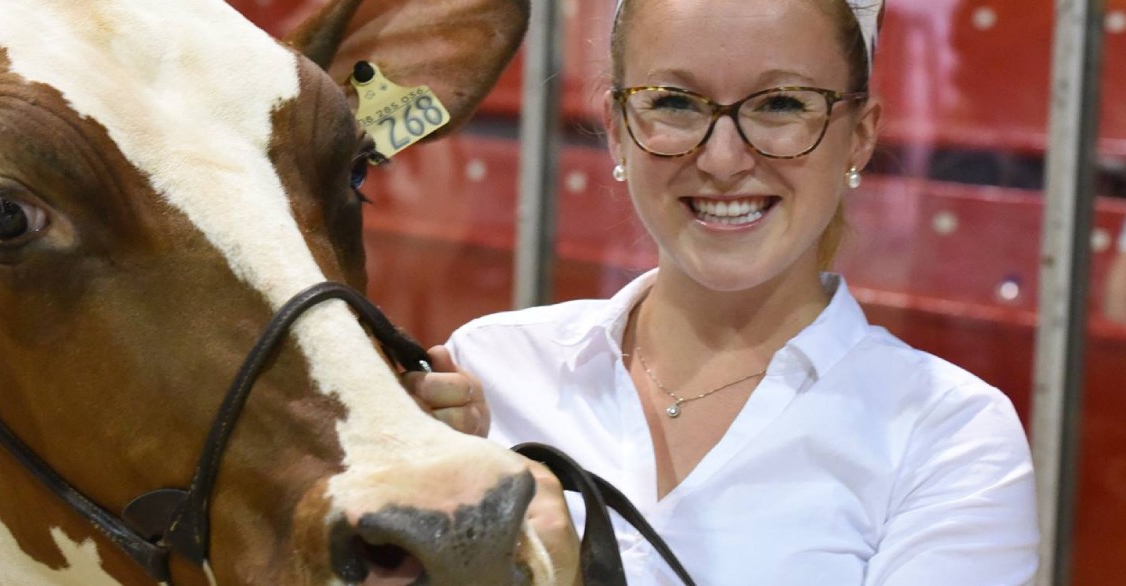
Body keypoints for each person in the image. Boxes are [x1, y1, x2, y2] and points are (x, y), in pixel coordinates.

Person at [404, 0, 1040, 584]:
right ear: (618, 126)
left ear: (860, 135)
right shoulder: (493, 371)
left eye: (782, 104)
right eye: (675, 103)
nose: (723, 159)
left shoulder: (946, 436)